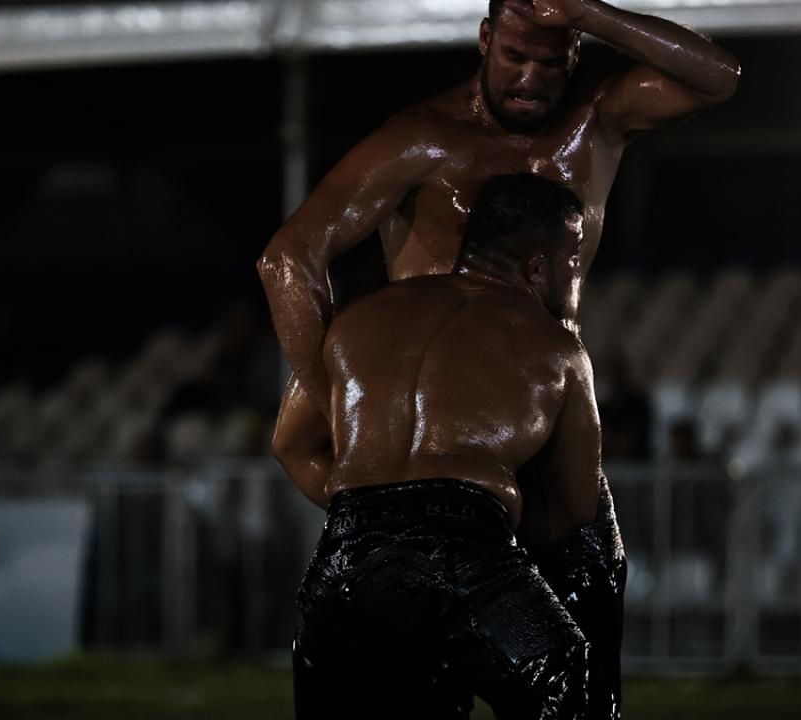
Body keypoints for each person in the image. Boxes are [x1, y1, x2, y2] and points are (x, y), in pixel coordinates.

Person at [260, 4, 739, 714]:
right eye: (515, 56)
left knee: (579, 664)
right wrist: (351, 413)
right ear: (485, 40)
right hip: (428, 416)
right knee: (472, 676)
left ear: (576, 52)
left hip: (533, 412)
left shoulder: (594, 121)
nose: (530, 78)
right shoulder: (423, 138)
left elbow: (717, 77)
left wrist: (586, 10)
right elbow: (287, 258)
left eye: (551, 60)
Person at [277, 174, 602, 719]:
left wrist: (374, 521)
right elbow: (575, 508)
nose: (577, 273)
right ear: (536, 267)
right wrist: (474, 534)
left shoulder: (358, 316)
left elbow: (291, 446)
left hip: (344, 556)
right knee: (568, 680)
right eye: (573, 258)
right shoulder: (559, 349)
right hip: (465, 546)